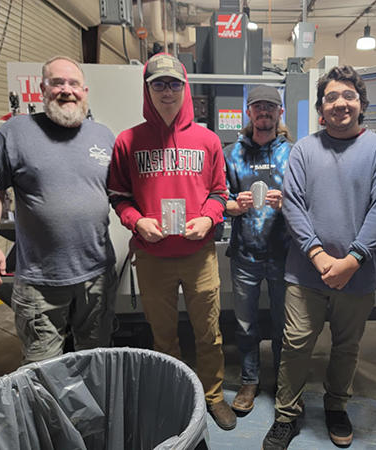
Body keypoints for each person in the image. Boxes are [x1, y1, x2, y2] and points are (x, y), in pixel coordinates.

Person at [262, 65, 376, 450]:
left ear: (361, 104)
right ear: (321, 108)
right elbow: (293, 205)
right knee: (295, 344)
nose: (341, 103)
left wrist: (353, 259)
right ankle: (287, 414)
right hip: (305, 274)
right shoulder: (305, 148)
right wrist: (319, 255)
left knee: (347, 347)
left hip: (358, 276)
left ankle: (336, 406)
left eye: (349, 96)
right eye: (332, 97)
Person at [107, 53, 236, 430]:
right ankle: (177, 395)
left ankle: (213, 397)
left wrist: (208, 217)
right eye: (158, 84)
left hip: (199, 255)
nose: (167, 92)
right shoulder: (127, 141)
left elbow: (219, 191)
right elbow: (118, 195)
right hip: (151, 257)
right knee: (162, 336)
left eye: (174, 84)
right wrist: (136, 221)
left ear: (185, 88)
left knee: (209, 334)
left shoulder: (207, 140)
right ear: (147, 89)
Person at [0, 56, 118, 364]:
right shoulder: (15, 132)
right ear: (43, 89)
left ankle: (93, 413)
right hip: (40, 280)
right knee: (42, 368)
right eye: (57, 83)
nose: (66, 90)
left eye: (74, 84)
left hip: (97, 276)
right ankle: (51, 415)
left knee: (97, 358)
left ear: (85, 90)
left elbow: (119, 193)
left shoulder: (103, 135)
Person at [224, 85, 292, 413]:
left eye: (270, 106)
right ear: (248, 113)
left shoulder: (294, 154)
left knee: (284, 325)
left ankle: (283, 382)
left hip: (284, 254)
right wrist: (232, 206)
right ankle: (249, 380)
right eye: (257, 106)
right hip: (244, 254)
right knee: (246, 325)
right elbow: (216, 197)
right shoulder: (230, 153)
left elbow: (308, 201)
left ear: (279, 113)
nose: (263, 111)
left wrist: (287, 203)